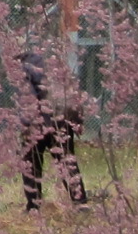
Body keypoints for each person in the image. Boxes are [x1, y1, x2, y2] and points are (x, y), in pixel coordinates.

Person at [18, 50, 88, 211]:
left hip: (40, 121)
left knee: (30, 162)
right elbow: (73, 93)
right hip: (63, 119)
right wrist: (77, 122)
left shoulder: (23, 67)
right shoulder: (53, 63)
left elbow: (28, 97)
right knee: (66, 161)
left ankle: (33, 206)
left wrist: (26, 126)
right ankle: (80, 202)